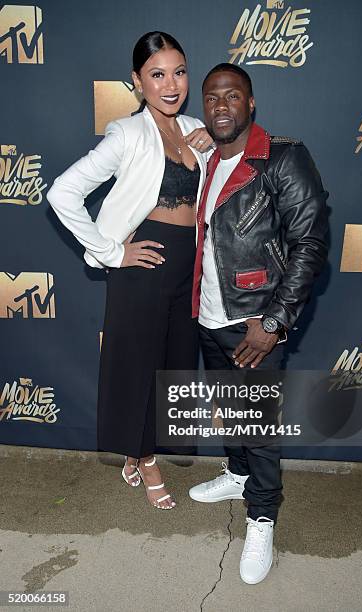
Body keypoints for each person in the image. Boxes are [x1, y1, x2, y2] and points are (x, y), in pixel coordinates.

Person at [47, 32, 213, 510]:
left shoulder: (196, 129)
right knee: (137, 368)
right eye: (157, 74)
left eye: (179, 72)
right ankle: (145, 458)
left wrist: (216, 142)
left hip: (189, 269)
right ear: (137, 82)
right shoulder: (127, 132)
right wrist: (111, 252)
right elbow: (63, 193)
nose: (170, 84)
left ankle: (143, 449)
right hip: (144, 266)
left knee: (171, 366)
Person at [188, 63, 328, 582]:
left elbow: (310, 244)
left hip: (254, 325)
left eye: (232, 96)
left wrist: (273, 321)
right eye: (212, 98)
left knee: (261, 429)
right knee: (228, 409)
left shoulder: (282, 158)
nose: (221, 106)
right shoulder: (205, 157)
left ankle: (263, 517)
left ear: (251, 103)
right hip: (208, 315)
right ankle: (237, 474)